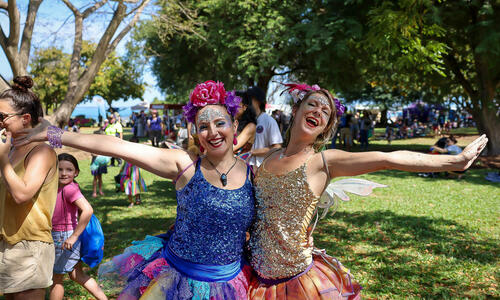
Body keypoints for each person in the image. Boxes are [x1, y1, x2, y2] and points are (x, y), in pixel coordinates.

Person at [15, 80, 255, 299]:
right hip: (178, 282)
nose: (212, 132)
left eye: (220, 123)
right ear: (196, 132)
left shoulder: (254, 175)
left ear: (234, 125)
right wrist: (54, 134)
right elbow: (117, 146)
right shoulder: (186, 165)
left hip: (232, 284)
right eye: (204, 126)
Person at [247, 83, 488, 299]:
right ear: (297, 109)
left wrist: (452, 162)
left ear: (326, 127)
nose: (317, 112)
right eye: (312, 105)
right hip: (255, 279)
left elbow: (387, 158)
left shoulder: (323, 161)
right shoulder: (269, 158)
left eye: (325, 112)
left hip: (297, 284)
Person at [0, 76, 58, 299]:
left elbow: (22, 195)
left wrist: (3, 162)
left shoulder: (41, 152)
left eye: (2, 117)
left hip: (30, 245)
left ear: (25, 118)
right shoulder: (10, 150)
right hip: (7, 241)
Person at [50, 153, 107, 300]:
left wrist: (73, 236)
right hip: (64, 236)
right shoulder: (59, 186)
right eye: (59, 169)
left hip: (63, 237)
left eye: (69, 170)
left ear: (76, 172)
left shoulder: (69, 189)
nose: (63, 173)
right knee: (77, 274)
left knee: (56, 279)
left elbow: (87, 210)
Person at [246, 86, 283, 167]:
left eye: (249, 98)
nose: (246, 102)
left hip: (260, 169)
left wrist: (253, 152)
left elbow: (277, 147)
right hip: (244, 168)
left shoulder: (269, 121)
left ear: (258, 101)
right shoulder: (246, 120)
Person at [118, 137, 147, 208]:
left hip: (134, 171)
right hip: (126, 171)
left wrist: (136, 172)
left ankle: (138, 198)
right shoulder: (127, 150)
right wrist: (122, 170)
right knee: (127, 186)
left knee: (135, 186)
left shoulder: (137, 152)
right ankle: (131, 202)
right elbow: (125, 161)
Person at [234, 90, 257, 155]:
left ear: (245, 107)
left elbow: (233, 147)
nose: (232, 107)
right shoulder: (232, 121)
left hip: (240, 164)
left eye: (236, 104)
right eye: (231, 103)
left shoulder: (251, 126)